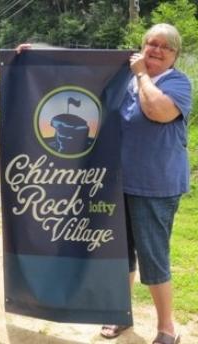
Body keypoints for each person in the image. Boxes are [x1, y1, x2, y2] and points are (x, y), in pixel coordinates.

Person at [100, 23, 191, 344]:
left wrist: (141, 74)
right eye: (150, 43)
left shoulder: (178, 82)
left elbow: (158, 111)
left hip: (156, 185)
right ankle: (120, 314)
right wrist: (29, 56)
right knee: (120, 255)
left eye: (164, 46)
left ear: (174, 55)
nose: (155, 49)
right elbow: (79, 68)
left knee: (153, 256)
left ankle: (167, 328)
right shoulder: (124, 77)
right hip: (119, 182)